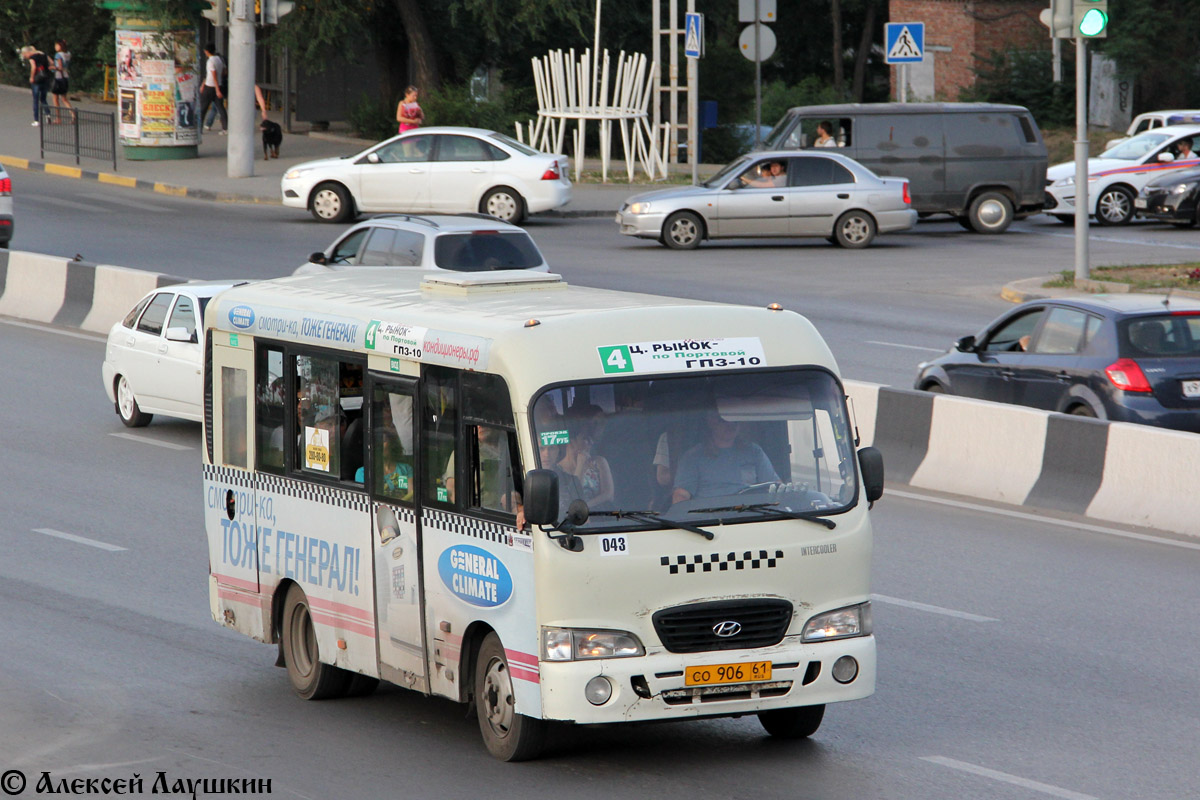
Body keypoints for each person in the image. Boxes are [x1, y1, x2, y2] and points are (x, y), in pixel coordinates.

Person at [671, 411, 779, 504]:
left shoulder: (754, 451)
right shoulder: (693, 457)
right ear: (711, 422)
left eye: (735, 421)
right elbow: (681, 495)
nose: (731, 425)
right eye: (724, 420)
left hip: (752, 516)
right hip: (709, 520)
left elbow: (775, 486)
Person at [21, 46, 54, 126]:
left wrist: (32, 77)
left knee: (35, 99)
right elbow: (52, 62)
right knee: (43, 99)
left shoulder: (32, 58)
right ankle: (48, 115)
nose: (25, 56)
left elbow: (33, 68)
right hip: (46, 78)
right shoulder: (44, 55)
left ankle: (36, 120)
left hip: (37, 80)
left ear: (27, 52)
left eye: (24, 55)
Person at [199, 44, 227, 135]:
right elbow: (223, 71)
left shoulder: (210, 61)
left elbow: (212, 74)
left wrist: (215, 88)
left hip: (210, 86)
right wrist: (219, 85)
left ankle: (199, 129)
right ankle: (225, 128)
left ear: (207, 51)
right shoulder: (219, 59)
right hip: (219, 85)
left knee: (203, 108)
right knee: (220, 107)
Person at [50, 41, 72, 114]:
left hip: (58, 77)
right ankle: (73, 114)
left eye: (56, 45)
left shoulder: (58, 55)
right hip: (65, 76)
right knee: (64, 99)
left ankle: (58, 117)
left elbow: (60, 67)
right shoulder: (68, 54)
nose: (55, 47)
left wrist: (52, 67)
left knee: (55, 98)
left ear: (60, 46)